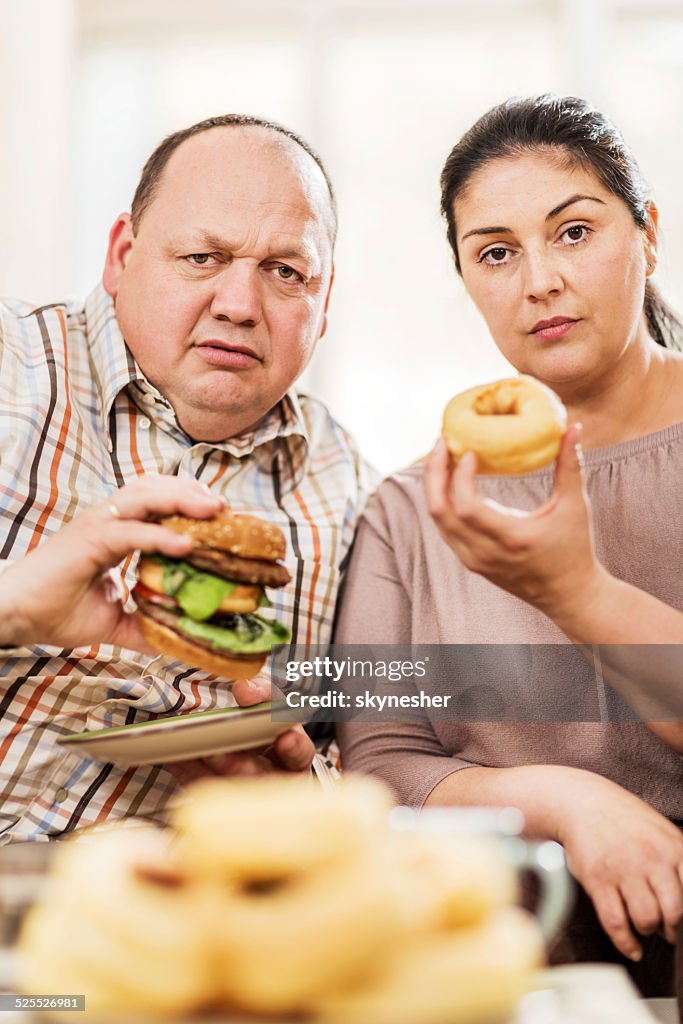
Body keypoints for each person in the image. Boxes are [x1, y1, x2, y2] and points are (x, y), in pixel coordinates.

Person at [334, 95, 683, 996]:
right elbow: (377, 764)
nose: (539, 282)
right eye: (495, 252)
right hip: (495, 988)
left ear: (647, 232)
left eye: (573, 232)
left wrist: (577, 591)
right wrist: (565, 801)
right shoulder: (409, 510)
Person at [0, 114, 375, 843]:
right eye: (203, 257)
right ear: (122, 255)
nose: (238, 305)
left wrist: (298, 790)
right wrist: (12, 603)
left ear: (323, 305)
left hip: (169, 915)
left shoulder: (358, 497)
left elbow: (370, 765)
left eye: (285, 272)